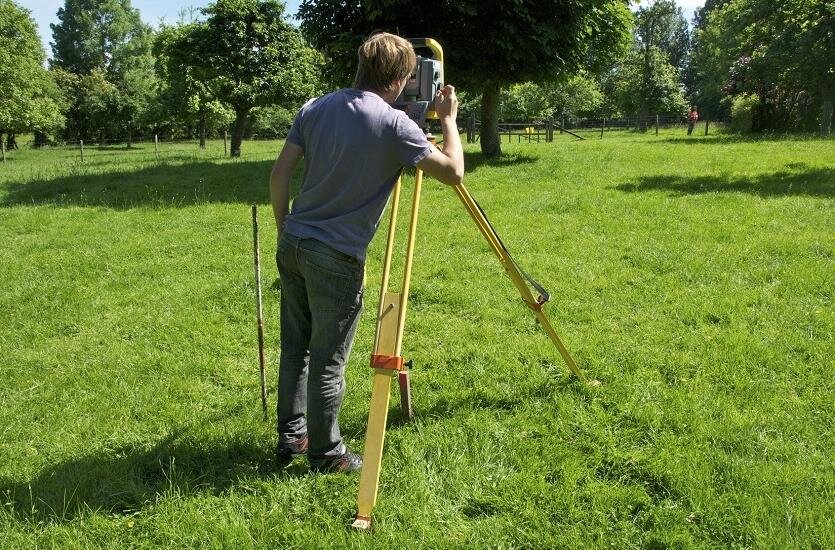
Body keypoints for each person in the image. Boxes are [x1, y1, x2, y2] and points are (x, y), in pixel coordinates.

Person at [269, 33, 464, 473]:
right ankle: (326, 454)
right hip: (335, 256)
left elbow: (279, 175)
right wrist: (448, 120)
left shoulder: (315, 107)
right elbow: (453, 173)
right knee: (328, 359)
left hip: (294, 243)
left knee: (295, 348)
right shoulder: (395, 126)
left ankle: (291, 437)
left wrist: (286, 229)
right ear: (399, 78)